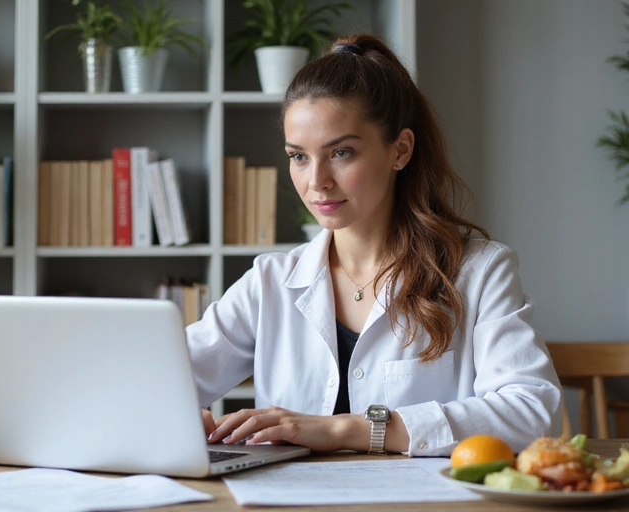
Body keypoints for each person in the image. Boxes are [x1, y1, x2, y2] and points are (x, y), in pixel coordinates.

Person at [188, 34, 562, 456]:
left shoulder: (479, 271)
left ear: (399, 150)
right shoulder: (270, 282)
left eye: (341, 152)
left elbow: (533, 413)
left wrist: (344, 430)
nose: (316, 182)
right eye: (299, 157)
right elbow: (159, 379)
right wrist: (172, 413)